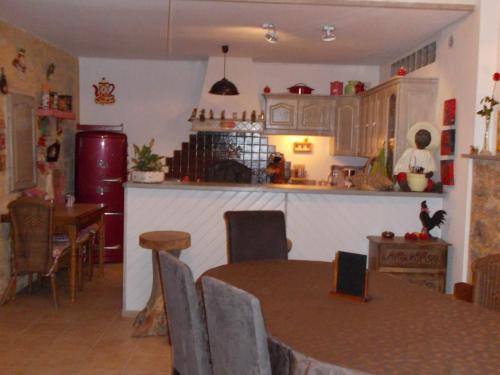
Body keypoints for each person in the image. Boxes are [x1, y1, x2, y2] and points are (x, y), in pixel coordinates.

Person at [394, 122, 442, 192]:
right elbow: (400, 164)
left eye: (425, 137)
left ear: (428, 142)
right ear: (415, 139)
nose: (422, 138)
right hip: (409, 177)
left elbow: (431, 169)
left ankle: (434, 187)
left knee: (428, 182)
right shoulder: (409, 151)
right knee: (401, 175)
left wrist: (430, 173)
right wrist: (395, 174)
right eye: (420, 136)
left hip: (421, 179)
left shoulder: (428, 154)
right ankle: (405, 186)